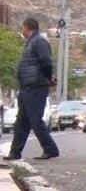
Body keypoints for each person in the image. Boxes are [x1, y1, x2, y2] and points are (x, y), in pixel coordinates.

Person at [3, 18, 60, 161]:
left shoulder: (39, 41)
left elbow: (46, 61)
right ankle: (15, 152)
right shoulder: (33, 42)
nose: (22, 30)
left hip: (36, 86)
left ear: (27, 27)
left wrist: (48, 78)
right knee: (21, 121)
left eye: (23, 27)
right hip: (27, 86)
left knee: (35, 120)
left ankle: (50, 149)